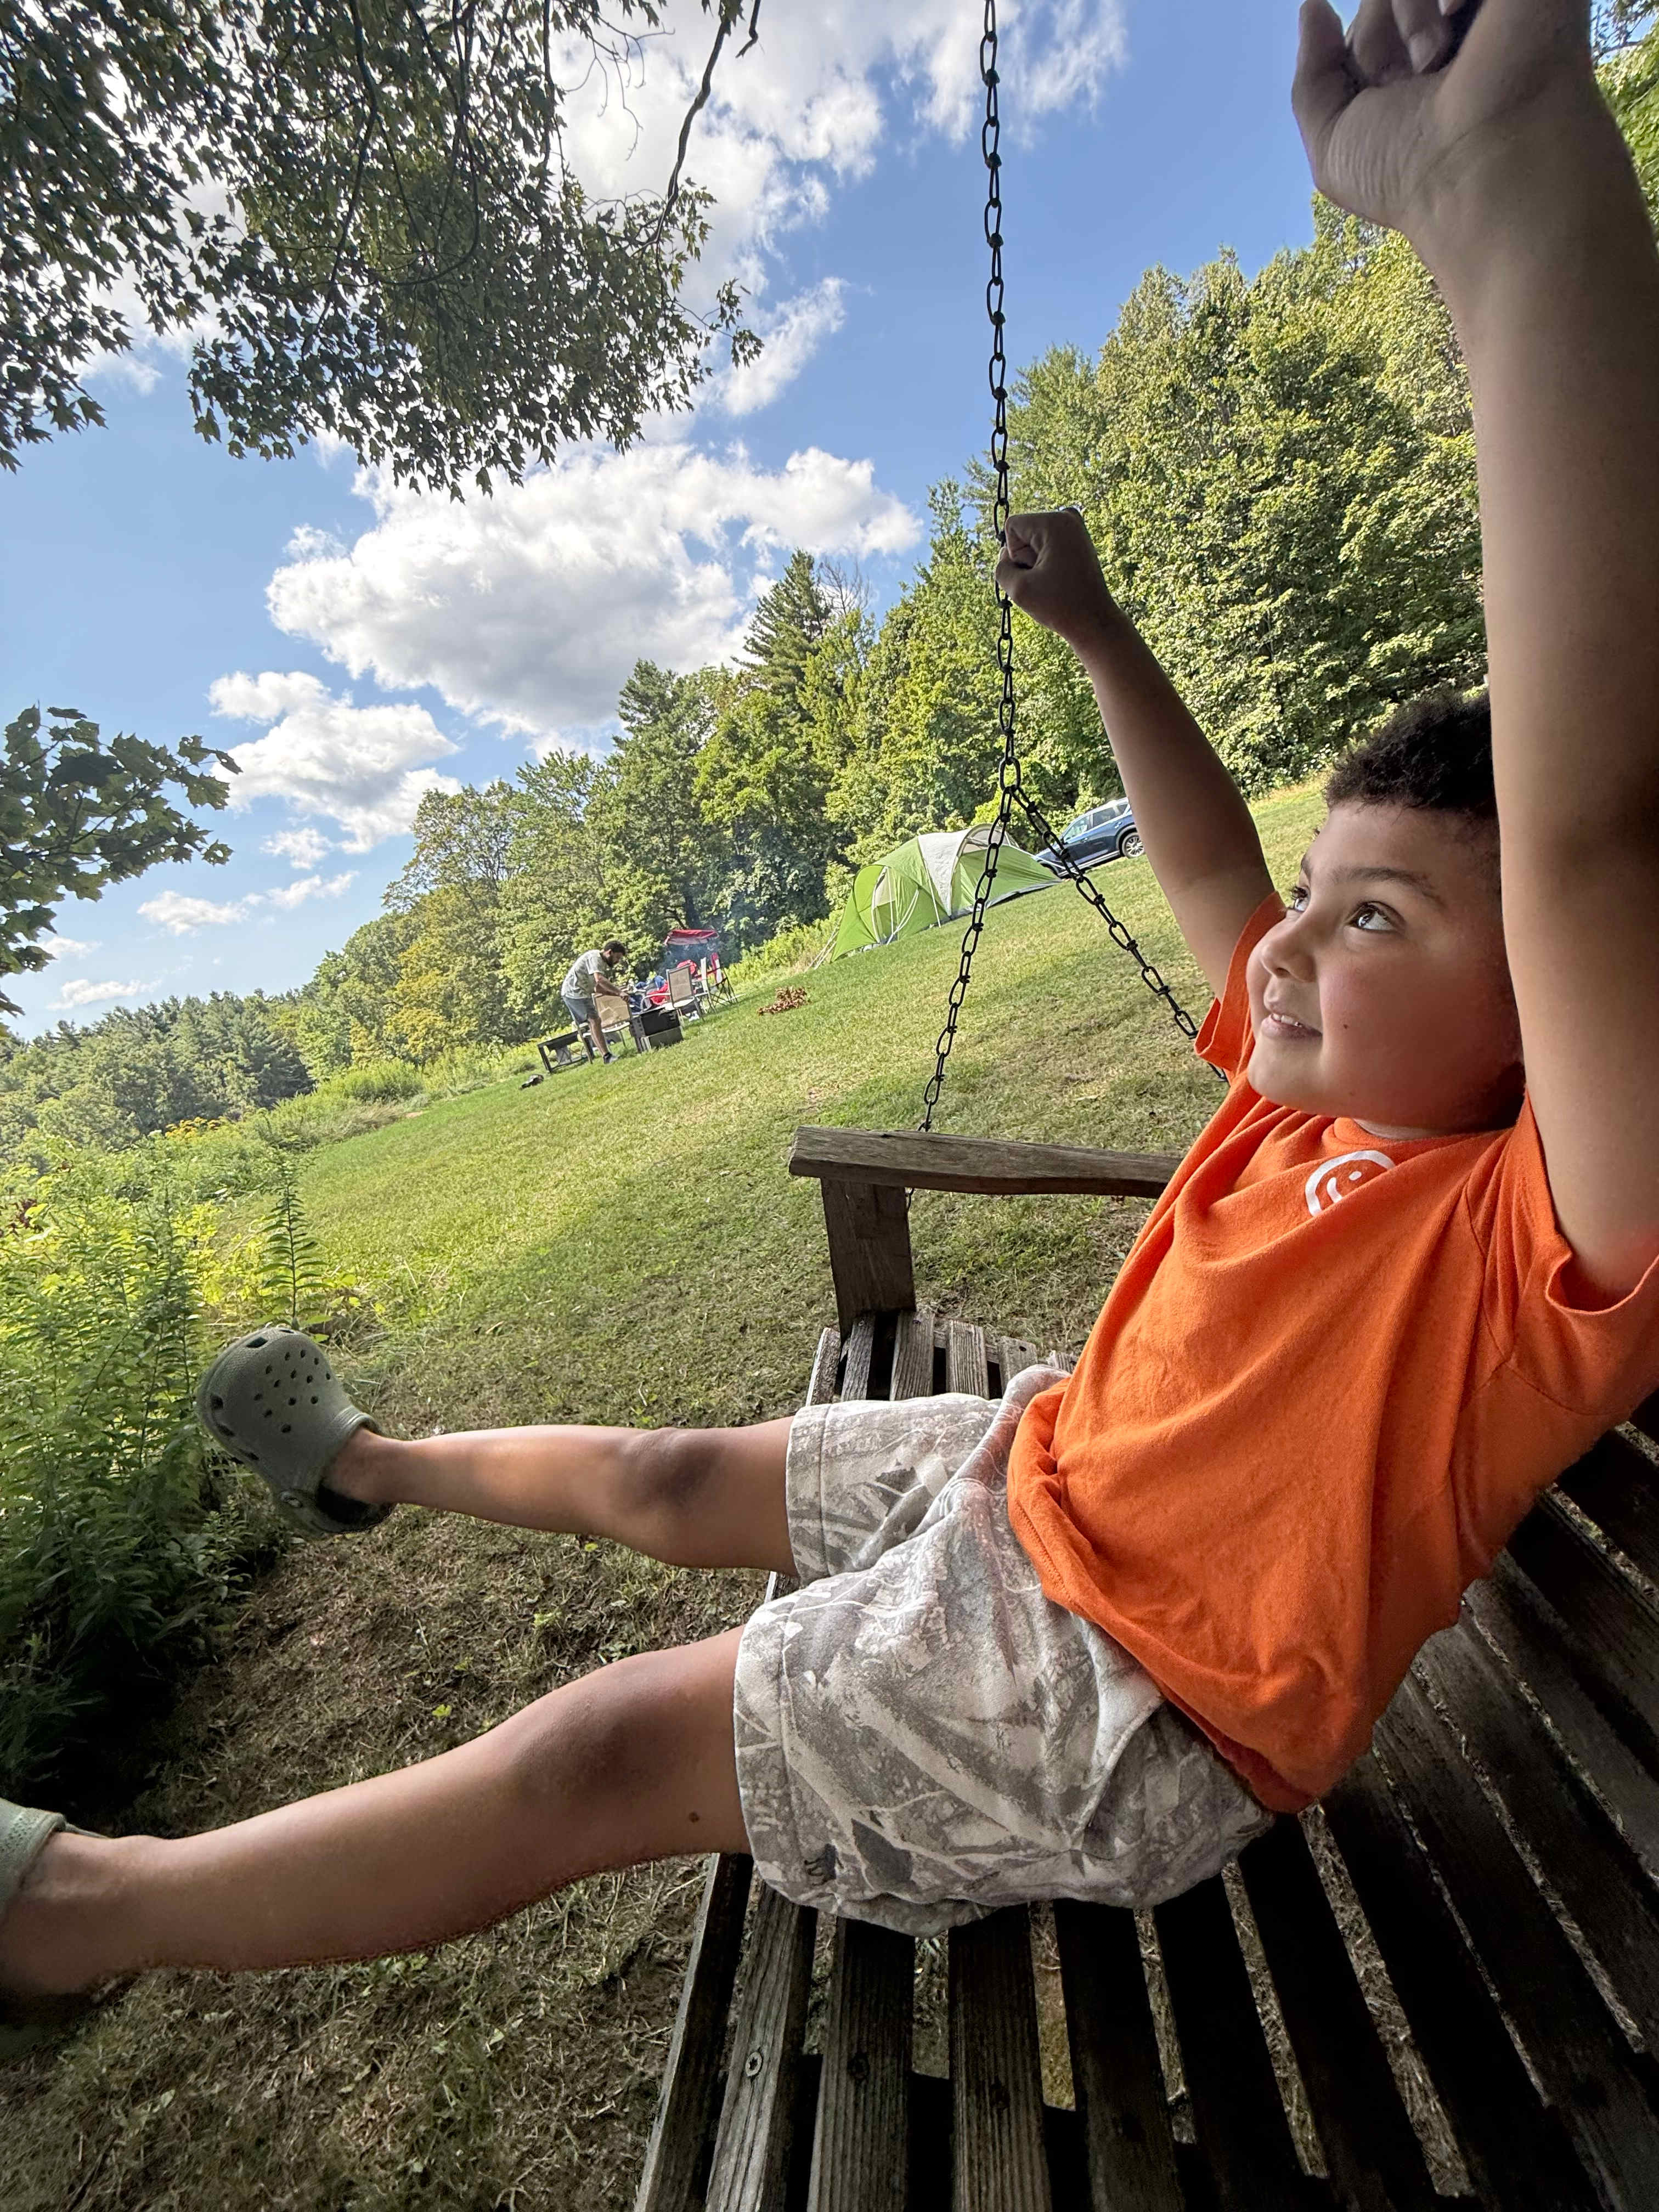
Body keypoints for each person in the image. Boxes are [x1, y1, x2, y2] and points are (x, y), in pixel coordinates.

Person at [6, 0, 1659, 2034]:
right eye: (1316, 901)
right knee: (668, 1468)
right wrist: (1095, 631)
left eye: (1376, 915)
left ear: (1555, 1008)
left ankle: (80, 1906)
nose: (1290, 946)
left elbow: (1584, 834)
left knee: (598, 1747)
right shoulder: (1300, 1086)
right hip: (1050, 1462)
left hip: (1127, 1691)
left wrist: (1494, 189)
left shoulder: (1536, 1242)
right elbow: (1214, 872)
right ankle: (373, 1469)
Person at [561, 939, 629, 1063]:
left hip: (581, 993)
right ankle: (607, 1056)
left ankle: (606, 1056)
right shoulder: (595, 958)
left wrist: (616, 995)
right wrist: (619, 992)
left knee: (594, 1022)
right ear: (609, 952)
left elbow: (597, 988)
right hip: (574, 993)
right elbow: (600, 980)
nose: (618, 961)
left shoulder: (601, 963)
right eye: (617, 957)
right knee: (595, 1021)